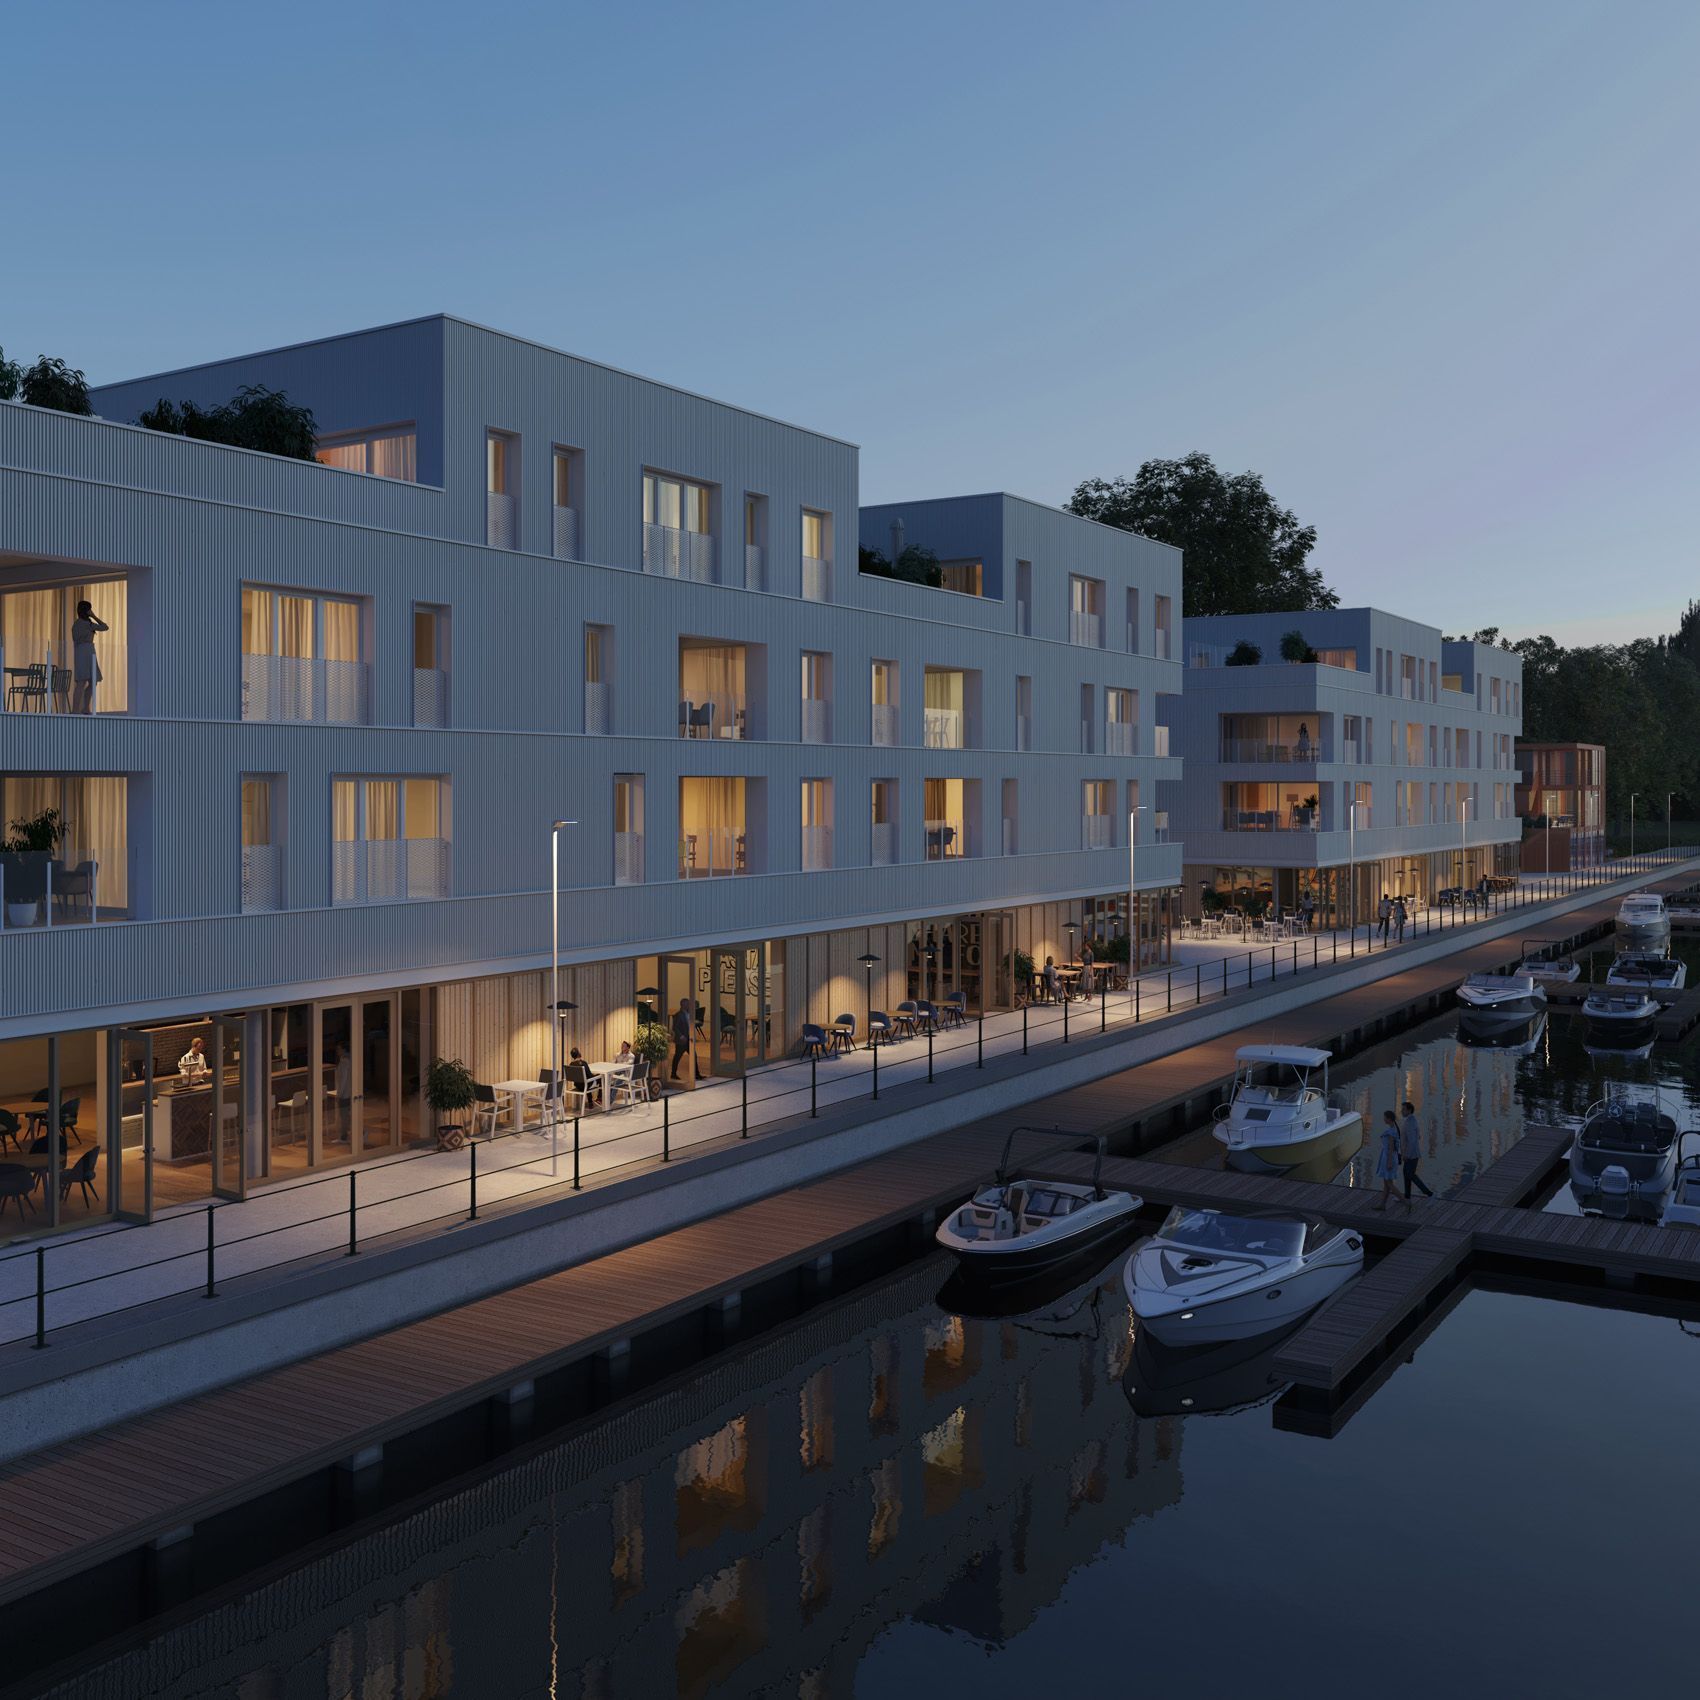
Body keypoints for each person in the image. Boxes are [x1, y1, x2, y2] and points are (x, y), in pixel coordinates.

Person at [70, 600, 108, 715]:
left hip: (87, 651)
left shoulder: (84, 624)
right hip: (84, 651)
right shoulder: (83, 624)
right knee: (82, 681)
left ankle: (84, 708)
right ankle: (76, 710)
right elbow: (104, 627)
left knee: (92, 681)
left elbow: (105, 627)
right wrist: (93, 616)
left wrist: (92, 616)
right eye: (89, 610)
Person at [1400, 1100, 1434, 1201]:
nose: (1401, 1111)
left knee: (1411, 1175)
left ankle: (1430, 1194)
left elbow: (1412, 1141)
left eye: (1403, 1110)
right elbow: (1418, 1136)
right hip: (1411, 1153)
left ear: (1409, 1110)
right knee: (1406, 1174)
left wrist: (1406, 1154)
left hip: (1411, 1154)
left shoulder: (1410, 1122)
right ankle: (1407, 1197)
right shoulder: (1412, 1120)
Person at [1373, 1109, 1404, 1211]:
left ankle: (1405, 1202)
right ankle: (1382, 1204)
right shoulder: (1394, 1129)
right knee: (1386, 1184)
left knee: (1389, 1184)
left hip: (1388, 1158)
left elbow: (1391, 1148)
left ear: (1389, 1119)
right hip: (1389, 1157)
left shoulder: (1391, 1132)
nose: (1384, 1119)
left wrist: (1389, 1162)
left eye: (1385, 1117)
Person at [670, 997, 694, 1080]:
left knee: (694, 1056)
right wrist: (681, 1036)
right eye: (687, 1004)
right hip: (681, 1041)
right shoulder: (678, 1015)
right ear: (683, 1005)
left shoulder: (689, 1014)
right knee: (677, 1057)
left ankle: (696, 1074)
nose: (689, 1005)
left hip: (688, 1040)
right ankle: (673, 1074)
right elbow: (675, 1028)